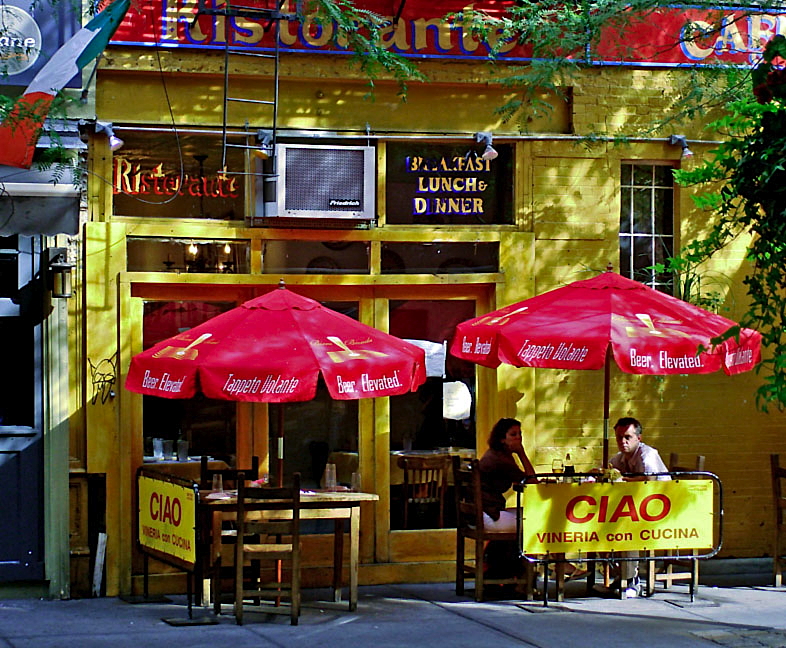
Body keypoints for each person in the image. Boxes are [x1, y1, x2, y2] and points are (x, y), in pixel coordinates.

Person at [606, 416, 670, 598]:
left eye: (627, 437)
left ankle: (632, 579)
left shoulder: (647, 454)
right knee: (609, 525)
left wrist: (622, 479)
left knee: (627, 529)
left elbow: (650, 480)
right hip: (638, 508)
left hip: (662, 509)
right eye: (619, 437)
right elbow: (610, 470)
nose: (623, 442)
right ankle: (621, 576)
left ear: (639, 438)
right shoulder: (620, 457)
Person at [478, 418, 537, 581]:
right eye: (513, 434)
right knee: (537, 522)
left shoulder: (498, 456)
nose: (518, 438)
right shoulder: (500, 460)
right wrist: (522, 453)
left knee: (531, 516)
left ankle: (517, 572)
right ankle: (527, 574)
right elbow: (531, 482)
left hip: (485, 511)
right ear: (502, 439)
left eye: (520, 434)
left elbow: (522, 480)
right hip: (490, 514)